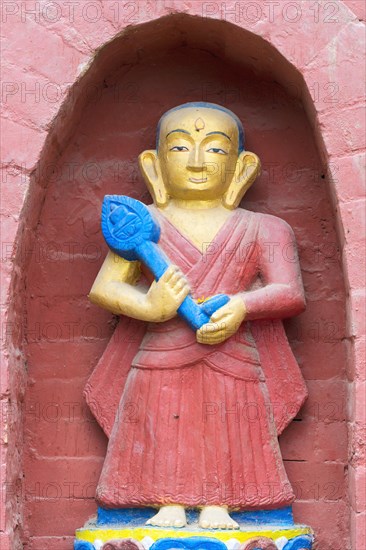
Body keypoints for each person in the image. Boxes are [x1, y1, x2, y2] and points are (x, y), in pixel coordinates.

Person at [85, 102, 307, 530]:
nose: (199, 161)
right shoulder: (144, 222)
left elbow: (290, 291)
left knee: (228, 420)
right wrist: (150, 306)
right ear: (155, 165)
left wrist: (243, 305)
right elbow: (104, 288)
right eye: (182, 148)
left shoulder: (266, 227)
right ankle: (163, 500)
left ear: (242, 167)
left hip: (232, 351)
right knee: (162, 417)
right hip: (160, 354)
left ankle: (221, 502)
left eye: (216, 150)